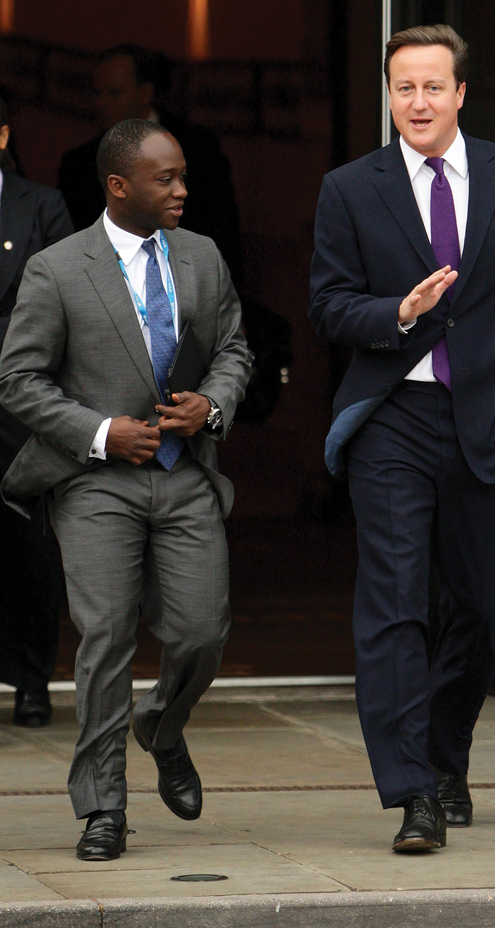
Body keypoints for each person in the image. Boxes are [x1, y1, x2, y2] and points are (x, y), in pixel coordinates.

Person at [309, 25, 495, 853]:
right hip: (395, 419)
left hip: (493, 419)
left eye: (431, 87)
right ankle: (414, 791)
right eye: (401, 89)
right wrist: (399, 314)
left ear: (461, 94)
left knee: (479, 616)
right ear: (389, 99)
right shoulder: (351, 188)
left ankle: (446, 757)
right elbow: (329, 305)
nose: (415, 102)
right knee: (392, 608)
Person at [0, 118, 252, 861]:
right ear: (118, 186)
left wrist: (212, 403)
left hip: (186, 478)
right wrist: (104, 432)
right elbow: (17, 379)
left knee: (202, 633)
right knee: (106, 637)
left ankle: (162, 727)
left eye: (181, 176)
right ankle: (102, 805)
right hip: (95, 483)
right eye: (165, 179)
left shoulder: (201, 256)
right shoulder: (57, 268)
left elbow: (234, 348)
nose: (182, 189)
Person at [0, 93, 73, 727]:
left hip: (19, 403)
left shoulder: (41, 205)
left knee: (30, 544)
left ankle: (30, 679)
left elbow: (61, 303)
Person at [57, 44, 242, 286]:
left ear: (145, 94)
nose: (101, 103)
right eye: (97, 93)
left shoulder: (198, 150)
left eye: (113, 93)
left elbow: (222, 235)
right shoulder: (79, 166)